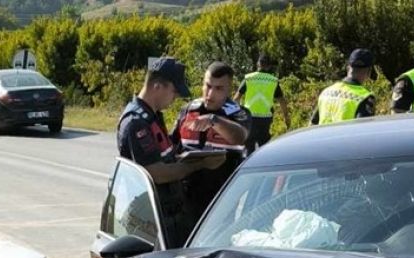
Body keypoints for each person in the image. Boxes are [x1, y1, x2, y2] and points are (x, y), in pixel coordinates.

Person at [117, 57, 225, 243]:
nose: (175, 98)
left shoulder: (152, 115)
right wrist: (199, 164)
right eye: (174, 91)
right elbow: (157, 172)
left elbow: (166, 155)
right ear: (157, 86)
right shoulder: (137, 122)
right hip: (150, 219)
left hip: (167, 212)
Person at [172, 62, 251, 220]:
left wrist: (214, 120)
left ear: (229, 89)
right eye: (208, 86)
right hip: (185, 198)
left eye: (219, 88)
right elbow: (172, 146)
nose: (210, 93)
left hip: (222, 201)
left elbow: (240, 136)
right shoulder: (188, 110)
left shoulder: (238, 113)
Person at [234, 55, 291, 153]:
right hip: (265, 119)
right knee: (264, 149)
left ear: (258, 64)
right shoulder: (273, 81)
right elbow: (281, 101)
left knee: (248, 149)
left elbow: (236, 99)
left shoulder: (249, 78)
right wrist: (286, 117)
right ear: (269, 66)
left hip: (249, 118)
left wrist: (236, 116)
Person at [311, 49, 377, 125]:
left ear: (348, 68)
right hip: (346, 137)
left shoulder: (326, 92)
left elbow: (312, 125)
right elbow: (363, 130)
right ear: (369, 72)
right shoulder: (365, 97)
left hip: (322, 137)